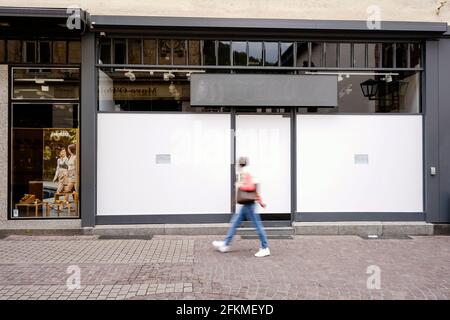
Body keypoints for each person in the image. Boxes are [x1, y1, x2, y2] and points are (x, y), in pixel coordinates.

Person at [212, 156, 270, 258]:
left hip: (249, 205)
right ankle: (225, 244)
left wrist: (239, 185)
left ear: (240, 164)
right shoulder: (248, 171)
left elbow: (251, 187)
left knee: (257, 226)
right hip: (247, 204)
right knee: (235, 223)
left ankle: (265, 248)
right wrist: (260, 201)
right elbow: (255, 189)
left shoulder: (245, 172)